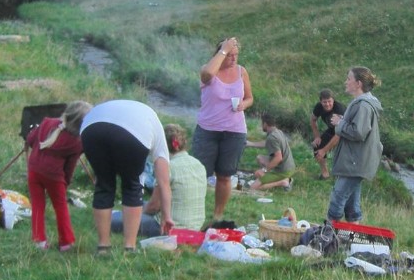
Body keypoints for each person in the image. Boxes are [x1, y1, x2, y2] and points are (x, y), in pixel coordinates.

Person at [80, 99, 174, 253]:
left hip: (91, 127)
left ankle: (103, 247)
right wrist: (167, 215)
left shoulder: (145, 115)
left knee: (104, 185)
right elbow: (163, 182)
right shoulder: (157, 133)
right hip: (132, 132)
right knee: (132, 186)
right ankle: (129, 247)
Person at [191, 36, 252, 222]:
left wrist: (243, 105)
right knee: (199, 174)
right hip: (207, 130)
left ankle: (217, 216)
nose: (233, 59)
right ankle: (195, 212)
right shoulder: (208, 70)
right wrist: (223, 49)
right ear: (220, 54)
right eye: (229, 55)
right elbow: (207, 75)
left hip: (234, 131)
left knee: (225, 176)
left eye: (236, 55)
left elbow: (250, 97)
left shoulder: (241, 72)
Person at [112, 123, 208, 237]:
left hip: (169, 227)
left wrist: (138, 213)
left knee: (113, 218)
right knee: (139, 204)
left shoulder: (167, 167)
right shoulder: (199, 164)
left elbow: (154, 206)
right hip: (195, 226)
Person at [316, 67, 383, 223]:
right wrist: (343, 121)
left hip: (355, 161)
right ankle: (353, 234)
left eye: (348, 79)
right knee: (352, 203)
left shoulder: (363, 105)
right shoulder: (362, 103)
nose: (346, 82)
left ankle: (329, 231)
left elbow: (359, 132)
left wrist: (340, 123)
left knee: (338, 196)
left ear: (358, 83)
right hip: (355, 160)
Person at [25, 100, 92, 251]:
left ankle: (39, 241)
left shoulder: (47, 122)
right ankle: (65, 242)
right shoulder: (77, 143)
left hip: (34, 169)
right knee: (60, 206)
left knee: (37, 205)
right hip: (54, 176)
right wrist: (65, 182)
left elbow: (30, 139)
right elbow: (70, 166)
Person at [246, 113, 296, 191]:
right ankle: (267, 177)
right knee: (260, 158)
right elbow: (266, 143)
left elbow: (278, 158)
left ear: (265, 124)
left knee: (252, 187)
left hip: (283, 170)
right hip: (289, 166)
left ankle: (283, 182)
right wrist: (250, 144)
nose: (261, 126)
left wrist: (264, 170)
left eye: (262, 123)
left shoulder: (272, 137)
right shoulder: (277, 132)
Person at [309, 89, 345, 179]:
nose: (327, 104)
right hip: (332, 130)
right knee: (317, 146)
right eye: (325, 102)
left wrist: (324, 150)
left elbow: (339, 134)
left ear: (333, 100)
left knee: (338, 151)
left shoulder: (339, 109)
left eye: (329, 101)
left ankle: (342, 175)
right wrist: (317, 137)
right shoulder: (318, 107)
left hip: (345, 133)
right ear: (321, 102)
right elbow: (312, 120)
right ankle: (325, 174)